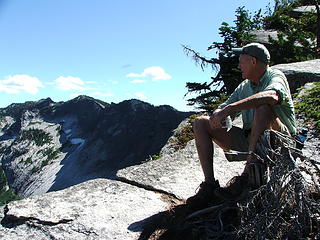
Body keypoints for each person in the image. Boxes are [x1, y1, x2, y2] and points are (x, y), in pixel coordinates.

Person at [186, 42, 296, 210]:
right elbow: (225, 107)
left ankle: (247, 176)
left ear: (253, 61)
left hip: (280, 141)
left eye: (241, 61)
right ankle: (209, 185)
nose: (238, 66)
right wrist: (219, 113)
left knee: (264, 107)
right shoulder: (245, 86)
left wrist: (231, 108)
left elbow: (272, 96)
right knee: (201, 122)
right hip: (251, 138)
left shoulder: (275, 76)